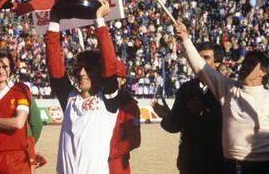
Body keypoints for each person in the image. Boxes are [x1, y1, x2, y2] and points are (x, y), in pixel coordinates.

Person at [174, 21, 269, 174]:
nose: (245, 66)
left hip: (261, 166)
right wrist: (185, 38)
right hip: (228, 166)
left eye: (251, 64)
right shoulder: (229, 89)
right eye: (244, 62)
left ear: (263, 72)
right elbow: (200, 67)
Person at [46, 0, 119, 174]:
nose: (82, 73)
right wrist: (54, 22)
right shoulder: (70, 98)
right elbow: (55, 68)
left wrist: (99, 21)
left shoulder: (107, 102)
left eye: (89, 69)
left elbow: (110, 65)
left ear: (99, 73)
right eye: (79, 69)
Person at [152, 42, 224, 174]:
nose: (200, 61)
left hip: (218, 161)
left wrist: (204, 113)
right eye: (198, 57)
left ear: (217, 62)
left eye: (206, 57)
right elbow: (174, 127)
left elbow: (232, 125)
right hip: (189, 162)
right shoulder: (186, 89)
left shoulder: (228, 88)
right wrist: (167, 115)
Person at [109, 60, 141, 174]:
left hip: (116, 166)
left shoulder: (129, 106)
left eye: (116, 76)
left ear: (123, 80)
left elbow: (135, 140)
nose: (111, 79)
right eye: (109, 75)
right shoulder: (97, 101)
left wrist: (110, 152)